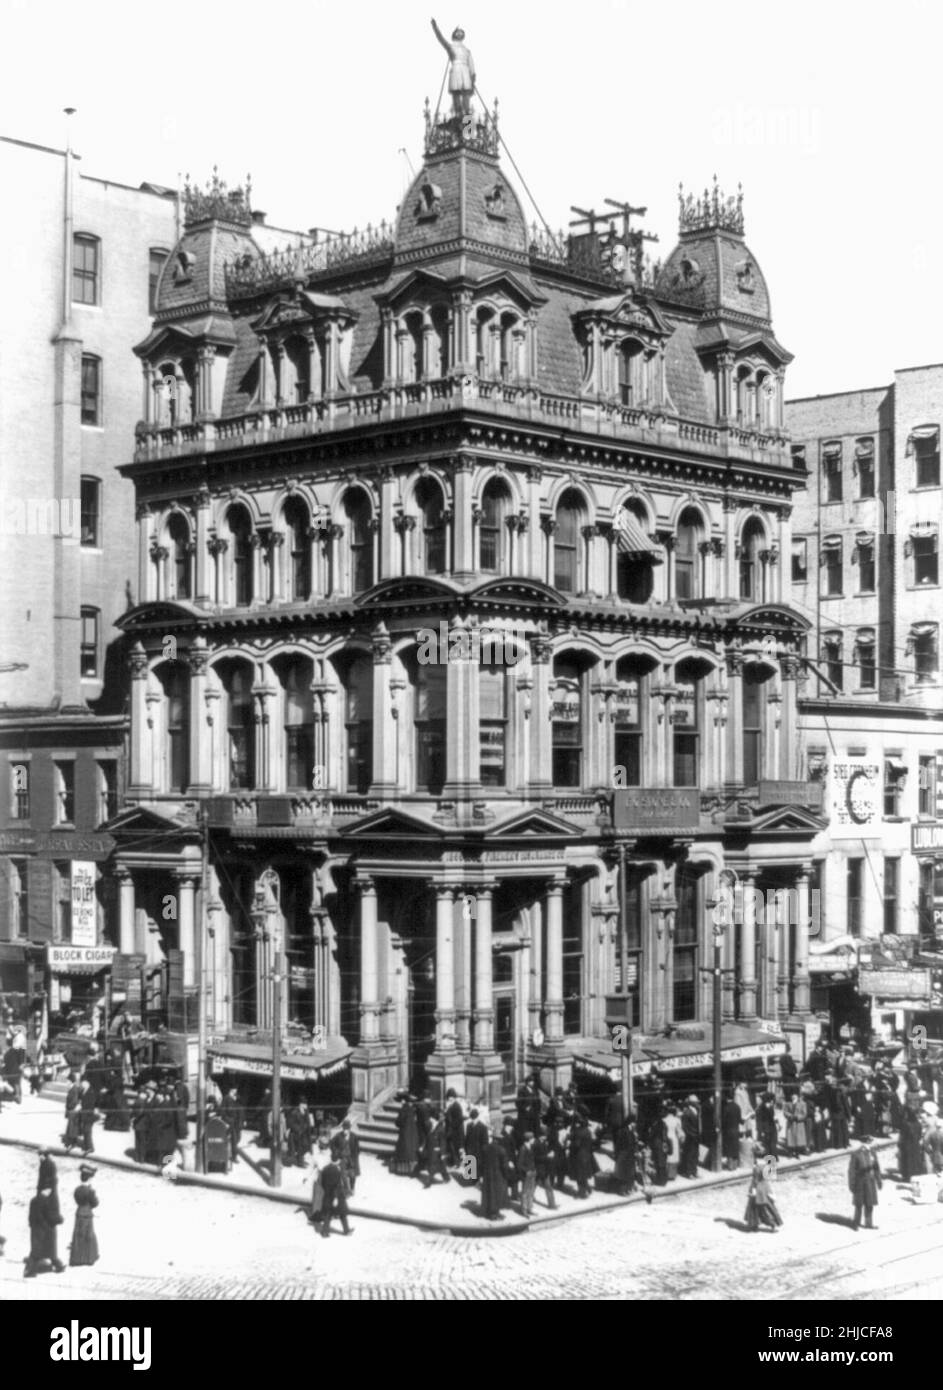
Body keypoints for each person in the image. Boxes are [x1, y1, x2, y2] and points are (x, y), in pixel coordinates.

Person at [430, 17, 476, 118]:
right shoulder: (450, 47)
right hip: (455, 72)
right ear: (454, 35)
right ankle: (458, 123)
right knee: (456, 99)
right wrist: (435, 28)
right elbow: (441, 39)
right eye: (457, 32)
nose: (459, 34)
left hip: (465, 74)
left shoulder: (467, 51)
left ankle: (468, 131)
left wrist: (473, 80)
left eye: (461, 33)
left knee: (466, 103)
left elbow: (472, 68)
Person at [25, 1186, 65, 1277]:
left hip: (35, 1229)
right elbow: (49, 1216)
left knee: (36, 1252)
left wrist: (31, 1225)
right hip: (44, 1230)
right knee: (48, 1251)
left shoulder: (33, 1200)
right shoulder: (46, 1201)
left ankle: (32, 1271)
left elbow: (31, 1217)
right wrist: (59, 1220)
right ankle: (58, 1266)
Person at [744, 1144, 782, 1233]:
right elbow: (770, 1178)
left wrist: (753, 1190)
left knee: (754, 1208)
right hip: (765, 1187)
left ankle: (755, 1224)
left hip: (758, 1189)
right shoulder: (767, 1165)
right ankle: (772, 1223)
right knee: (768, 1207)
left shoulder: (756, 1168)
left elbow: (755, 1180)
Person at [318, 1142, 353, 1237]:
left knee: (328, 1214)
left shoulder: (325, 1169)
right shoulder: (337, 1172)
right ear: (338, 1160)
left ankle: (325, 1232)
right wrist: (336, 1198)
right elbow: (337, 1186)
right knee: (342, 1213)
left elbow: (321, 1182)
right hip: (337, 1196)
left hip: (327, 1195)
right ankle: (346, 1230)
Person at [848, 1135, 882, 1231]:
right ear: (865, 1143)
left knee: (869, 1203)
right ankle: (856, 1223)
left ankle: (869, 1223)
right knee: (859, 1203)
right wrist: (852, 1184)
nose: (871, 1145)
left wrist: (879, 1180)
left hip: (870, 1181)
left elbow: (876, 1168)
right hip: (860, 1182)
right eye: (870, 1143)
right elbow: (852, 1171)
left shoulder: (873, 1153)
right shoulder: (856, 1154)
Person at [68, 1164, 100, 1267]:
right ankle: (88, 1258)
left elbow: (76, 1200)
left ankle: (77, 1258)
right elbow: (95, 1203)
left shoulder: (77, 1189)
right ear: (89, 1178)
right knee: (88, 1235)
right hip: (87, 1214)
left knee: (78, 1235)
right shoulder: (90, 1191)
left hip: (79, 1213)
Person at [480, 1129, 510, 1220]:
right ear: (499, 1139)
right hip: (498, 1175)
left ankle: (488, 1212)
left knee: (489, 1192)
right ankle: (494, 1214)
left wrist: (481, 1175)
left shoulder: (485, 1148)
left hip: (487, 1174)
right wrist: (506, 1175)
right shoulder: (502, 1150)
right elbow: (504, 1165)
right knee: (497, 1193)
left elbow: (481, 1162)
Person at [391, 1092, 420, 1176]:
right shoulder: (413, 1109)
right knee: (411, 1150)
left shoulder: (404, 1109)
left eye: (402, 1100)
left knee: (403, 1150)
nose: (401, 1102)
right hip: (413, 1133)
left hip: (404, 1133)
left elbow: (398, 1122)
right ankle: (412, 1170)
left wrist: (397, 1122)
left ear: (405, 1101)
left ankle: (403, 1170)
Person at [331, 1119, 361, 1196]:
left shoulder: (354, 1136)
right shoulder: (338, 1136)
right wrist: (336, 1152)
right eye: (344, 1128)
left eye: (347, 1128)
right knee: (343, 1174)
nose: (345, 1130)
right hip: (342, 1158)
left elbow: (357, 1148)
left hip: (351, 1159)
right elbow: (332, 1143)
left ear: (350, 1128)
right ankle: (346, 1190)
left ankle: (352, 1188)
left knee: (352, 1174)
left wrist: (355, 1156)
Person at [570, 1116, 596, 1199]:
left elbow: (576, 1145)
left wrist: (570, 1145)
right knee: (584, 1174)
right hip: (587, 1155)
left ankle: (582, 1193)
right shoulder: (588, 1131)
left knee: (579, 1175)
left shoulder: (578, 1132)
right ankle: (587, 1189)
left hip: (579, 1155)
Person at [533, 1127, 558, 1210]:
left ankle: (552, 1204)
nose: (546, 1137)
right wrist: (547, 1156)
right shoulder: (536, 1144)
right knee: (544, 1186)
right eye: (544, 1135)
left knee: (539, 1186)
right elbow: (535, 1158)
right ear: (540, 1136)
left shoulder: (543, 1142)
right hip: (538, 1169)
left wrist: (549, 1154)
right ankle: (552, 1205)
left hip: (544, 1169)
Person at [219, 1086, 244, 1164]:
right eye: (235, 1090)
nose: (236, 1091)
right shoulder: (226, 1099)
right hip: (230, 1123)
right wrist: (228, 1121)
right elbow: (223, 1112)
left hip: (236, 1123)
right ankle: (233, 1157)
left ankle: (232, 1155)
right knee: (233, 1140)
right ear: (231, 1090)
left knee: (236, 1139)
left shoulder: (234, 1098)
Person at [463, 1106, 489, 1178]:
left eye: (475, 1119)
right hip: (470, 1149)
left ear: (478, 1117)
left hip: (478, 1151)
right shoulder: (469, 1125)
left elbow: (485, 1141)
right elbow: (467, 1138)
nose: (473, 1120)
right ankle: (470, 1178)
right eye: (472, 1119)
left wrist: (483, 1152)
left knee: (478, 1170)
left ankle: (477, 1179)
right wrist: (465, 1148)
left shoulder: (483, 1127)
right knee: (469, 1172)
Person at [680, 1095, 701, 1180]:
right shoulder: (687, 1113)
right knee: (689, 1154)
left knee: (695, 1154)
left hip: (695, 1137)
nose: (697, 1103)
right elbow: (685, 1127)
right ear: (692, 1103)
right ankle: (689, 1173)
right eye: (696, 1102)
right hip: (690, 1138)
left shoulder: (696, 1111)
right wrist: (692, 1135)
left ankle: (694, 1171)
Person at [517, 1130, 538, 1217]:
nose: (534, 1140)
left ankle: (530, 1208)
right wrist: (526, 1171)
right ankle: (524, 1210)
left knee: (531, 1191)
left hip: (532, 1172)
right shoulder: (523, 1149)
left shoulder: (530, 1147)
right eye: (533, 1138)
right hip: (526, 1174)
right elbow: (519, 1164)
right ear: (529, 1139)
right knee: (525, 1192)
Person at [444, 1089, 465, 1166]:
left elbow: (459, 1119)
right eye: (449, 1097)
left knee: (455, 1147)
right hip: (451, 1130)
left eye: (451, 1097)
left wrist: (452, 1126)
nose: (449, 1099)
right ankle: (453, 1162)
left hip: (456, 1130)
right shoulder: (451, 1105)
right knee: (451, 1147)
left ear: (454, 1097)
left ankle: (457, 1163)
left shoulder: (457, 1106)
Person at [62, 1071, 83, 1150]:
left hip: (73, 1110)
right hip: (71, 1110)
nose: (66, 1083)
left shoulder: (73, 1089)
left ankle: (72, 1143)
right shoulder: (71, 1088)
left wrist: (70, 1108)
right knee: (72, 1128)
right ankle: (71, 1142)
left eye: (67, 1081)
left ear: (70, 1081)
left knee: (72, 1128)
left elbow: (74, 1101)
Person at [722, 1093, 742, 1170]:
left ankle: (730, 1166)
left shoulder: (726, 1108)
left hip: (728, 1131)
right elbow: (740, 1120)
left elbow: (724, 1120)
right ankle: (735, 1165)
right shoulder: (737, 1107)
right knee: (735, 1147)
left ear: (727, 1099)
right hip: (736, 1130)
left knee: (729, 1148)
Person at [663, 1103, 682, 1181]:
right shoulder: (677, 1120)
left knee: (667, 1156)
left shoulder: (664, 1120)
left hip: (667, 1138)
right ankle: (673, 1175)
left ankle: (666, 1174)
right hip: (674, 1138)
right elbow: (679, 1131)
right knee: (674, 1156)